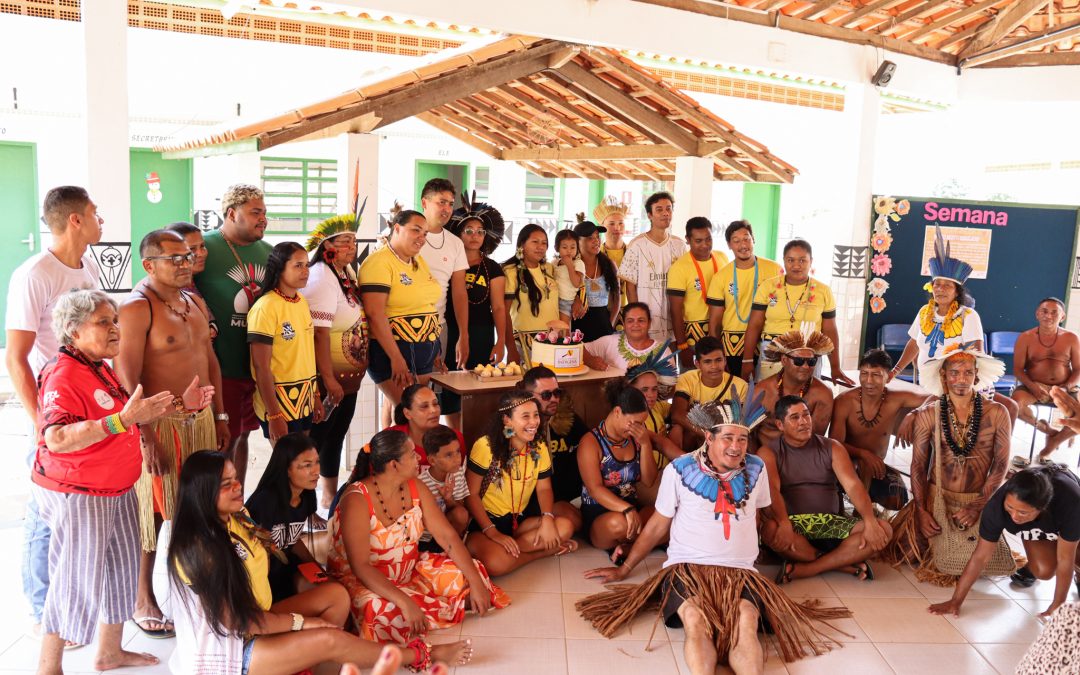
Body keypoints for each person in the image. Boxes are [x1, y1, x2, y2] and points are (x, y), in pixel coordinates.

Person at [577, 394, 851, 674]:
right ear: (709, 437)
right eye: (728, 438)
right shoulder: (679, 469)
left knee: (746, 621)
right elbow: (658, 525)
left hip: (741, 572)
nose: (736, 447)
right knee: (695, 619)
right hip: (686, 569)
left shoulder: (756, 468)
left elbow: (762, 511)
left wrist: (782, 530)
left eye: (742, 439)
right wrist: (626, 569)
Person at [33, 289, 178, 673]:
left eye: (114, 321)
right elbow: (57, 438)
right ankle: (48, 667)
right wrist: (122, 421)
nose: (115, 329)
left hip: (117, 488)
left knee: (122, 570)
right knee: (75, 580)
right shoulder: (63, 373)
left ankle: (110, 652)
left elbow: (125, 415)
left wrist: (182, 404)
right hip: (80, 492)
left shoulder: (98, 365)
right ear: (73, 330)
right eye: (103, 322)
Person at [167, 451, 398, 675]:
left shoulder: (237, 516)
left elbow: (283, 543)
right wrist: (301, 623)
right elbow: (240, 622)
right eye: (226, 484)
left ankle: (305, 664)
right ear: (203, 493)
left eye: (235, 478)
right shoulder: (197, 548)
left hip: (258, 615)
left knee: (336, 596)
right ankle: (415, 655)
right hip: (231, 647)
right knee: (330, 639)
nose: (238, 486)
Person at [115, 229, 226, 638]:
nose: (186, 262)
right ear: (149, 265)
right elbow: (126, 378)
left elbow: (209, 358)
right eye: (175, 258)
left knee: (196, 508)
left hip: (199, 420)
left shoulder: (193, 301)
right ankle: (143, 598)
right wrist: (146, 435)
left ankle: (187, 591)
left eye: (189, 255)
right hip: (158, 424)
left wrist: (222, 415)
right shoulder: (136, 307)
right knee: (155, 515)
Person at [5, 186, 101, 636]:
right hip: (53, 412)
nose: (101, 218)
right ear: (76, 220)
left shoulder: (87, 265)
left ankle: (71, 599)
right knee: (45, 510)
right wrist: (41, 423)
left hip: (89, 406)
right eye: (95, 212)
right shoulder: (34, 273)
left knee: (74, 506)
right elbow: (15, 355)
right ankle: (43, 607)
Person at [327, 429, 505, 658]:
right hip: (367, 581)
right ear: (394, 465)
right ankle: (422, 640)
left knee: (472, 572)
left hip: (409, 570)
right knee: (380, 611)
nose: (419, 458)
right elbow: (361, 566)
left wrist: (475, 582)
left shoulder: (415, 486)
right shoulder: (356, 498)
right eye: (412, 454)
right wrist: (404, 601)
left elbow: (448, 538)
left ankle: (419, 611)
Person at [885, 344, 1015, 586]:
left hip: (977, 498)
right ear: (943, 376)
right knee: (907, 554)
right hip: (937, 497)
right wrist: (922, 512)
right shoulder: (928, 414)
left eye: (967, 373)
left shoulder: (997, 413)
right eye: (954, 372)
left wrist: (978, 506)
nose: (961, 379)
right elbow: (918, 467)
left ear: (976, 375)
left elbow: (1001, 465)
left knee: (972, 563)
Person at [889, 226, 1019, 423]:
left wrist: (955, 383)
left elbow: (974, 353)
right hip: (927, 381)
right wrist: (895, 371)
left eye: (947, 285)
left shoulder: (968, 315)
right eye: (937, 284)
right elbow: (914, 343)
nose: (940, 289)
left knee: (997, 412)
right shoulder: (925, 312)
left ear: (957, 292)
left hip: (960, 382)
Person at [759, 396, 893, 583]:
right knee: (770, 529)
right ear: (780, 425)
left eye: (806, 415)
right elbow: (772, 490)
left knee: (883, 528)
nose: (803, 422)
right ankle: (843, 563)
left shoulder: (832, 447)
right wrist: (783, 522)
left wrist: (870, 521)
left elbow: (853, 485)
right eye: (795, 418)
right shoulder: (768, 452)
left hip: (831, 523)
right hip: (793, 525)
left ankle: (809, 568)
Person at [928, 465, 1080, 621]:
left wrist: (1058, 604)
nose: (1014, 516)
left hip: (1070, 513)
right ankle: (1032, 565)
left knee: (1076, 557)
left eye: (1023, 512)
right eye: (1010, 507)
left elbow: (1065, 559)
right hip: (1045, 524)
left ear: (1042, 509)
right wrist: (956, 601)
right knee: (1044, 571)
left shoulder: (1071, 503)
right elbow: (981, 557)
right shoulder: (996, 508)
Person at [195, 183, 272, 486]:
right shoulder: (204, 248)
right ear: (231, 213)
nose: (263, 218)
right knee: (219, 443)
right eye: (255, 212)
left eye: (264, 212)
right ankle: (215, 510)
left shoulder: (268, 252)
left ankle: (234, 506)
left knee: (243, 438)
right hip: (218, 368)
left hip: (254, 367)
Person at [463, 392, 579, 576]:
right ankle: (541, 552)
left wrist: (548, 518)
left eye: (535, 415)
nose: (534, 422)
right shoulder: (486, 446)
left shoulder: (539, 446)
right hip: (485, 525)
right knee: (496, 563)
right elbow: (470, 494)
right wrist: (493, 533)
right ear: (507, 421)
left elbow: (544, 487)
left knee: (565, 526)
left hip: (519, 522)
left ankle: (513, 551)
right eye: (525, 416)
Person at [304, 214, 369, 507]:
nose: (351, 247)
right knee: (316, 442)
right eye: (344, 241)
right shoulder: (321, 276)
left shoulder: (344, 273)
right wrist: (328, 379)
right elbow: (319, 334)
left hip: (348, 378)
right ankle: (305, 501)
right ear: (326, 244)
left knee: (336, 436)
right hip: (328, 378)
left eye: (353, 241)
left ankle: (328, 496)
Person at [829, 349, 931, 510]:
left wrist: (913, 414)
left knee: (897, 499)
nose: (869, 380)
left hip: (877, 468)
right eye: (864, 373)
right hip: (846, 466)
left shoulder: (896, 399)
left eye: (876, 375)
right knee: (836, 501)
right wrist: (864, 454)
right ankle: (853, 506)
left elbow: (934, 399)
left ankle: (868, 502)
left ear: (888, 377)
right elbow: (834, 443)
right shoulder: (844, 401)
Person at [741, 239, 852, 385]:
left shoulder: (823, 290)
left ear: (811, 261)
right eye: (790, 260)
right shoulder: (768, 286)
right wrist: (747, 360)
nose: (796, 265)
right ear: (784, 261)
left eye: (802, 260)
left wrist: (835, 366)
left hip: (808, 354)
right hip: (774, 353)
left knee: (805, 399)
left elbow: (829, 330)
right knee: (770, 398)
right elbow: (755, 324)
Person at [359, 209, 442, 405]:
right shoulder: (379, 262)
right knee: (409, 415)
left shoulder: (417, 260)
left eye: (425, 234)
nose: (421, 238)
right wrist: (396, 358)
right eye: (416, 231)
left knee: (421, 415)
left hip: (424, 352)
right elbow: (374, 313)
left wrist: (435, 349)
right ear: (397, 228)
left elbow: (425, 304)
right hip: (396, 352)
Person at [248, 242, 323, 444]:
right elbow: (260, 366)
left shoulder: (301, 302)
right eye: (298, 265)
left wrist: (315, 396)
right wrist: (274, 415)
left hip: (304, 399)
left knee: (300, 466)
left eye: (307, 265)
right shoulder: (265, 307)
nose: (305, 271)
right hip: (279, 405)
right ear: (280, 268)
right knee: (287, 468)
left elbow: (307, 355)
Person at [443, 195, 508, 426]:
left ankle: (476, 441)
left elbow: (499, 308)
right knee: (451, 391)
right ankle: (457, 439)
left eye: (480, 231)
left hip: (482, 334)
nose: (475, 236)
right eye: (468, 230)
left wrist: (501, 342)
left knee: (481, 389)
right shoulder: (447, 264)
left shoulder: (493, 268)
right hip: (451, 334)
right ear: (458, 235)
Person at [245, 433, 328, 604]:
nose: (316, 471)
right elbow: (254, 555)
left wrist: (318, 569)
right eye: (307, 465)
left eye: (317, 462)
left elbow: (293, 539)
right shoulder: (265, 502)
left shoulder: (306, 496)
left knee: (329, 589)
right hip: (262, 578)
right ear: (286, 469)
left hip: (286, 569)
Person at [577, 383, 659, 556]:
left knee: (662, 516)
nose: (637, 429)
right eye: (633, 423)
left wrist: (645, 444)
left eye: (642, 424)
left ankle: (628, 548)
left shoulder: (638, 437)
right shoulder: (590, 442)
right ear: (617, 412)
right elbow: (594, 489)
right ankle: (644, 542)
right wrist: (626, 509)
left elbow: (649, 480)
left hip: (632, 509)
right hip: (601, 515)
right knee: (619, 524)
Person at [707, 220, 782, 375]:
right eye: (736, 241)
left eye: (746, 239)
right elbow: (714, 323)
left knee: (768, 393)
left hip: (767, 342)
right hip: (732, 345)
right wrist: (716, 355)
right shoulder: (721, 277)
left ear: (753, 239)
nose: (743, 245)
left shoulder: (774, 269)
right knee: (737, 394)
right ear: (729, 245)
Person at [1010, 297, 1080, 464]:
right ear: (1037, 314)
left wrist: (1066, 387)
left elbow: (1078, 369)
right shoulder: (1025, 337)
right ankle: (1045, 428)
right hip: (1033, 385)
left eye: (1054, 312)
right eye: (1044, 311)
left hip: (1065, 387)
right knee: (1014, 405)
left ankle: (1052, 444)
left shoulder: (1071, 338)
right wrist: (1033, 388)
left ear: (1062, 317)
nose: (1048, 316)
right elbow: (1018, 370)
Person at [519, 366, 589, 523]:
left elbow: (591, 442)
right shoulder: (519, 427)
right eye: (546, 395)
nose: (554, 399)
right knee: (572, 521)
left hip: (567, 494)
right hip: (532, 500)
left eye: (557, 393)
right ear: (528, 396)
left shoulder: (568, 419)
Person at [618, 191, 686, 342]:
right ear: (649, 215)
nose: (665, 213)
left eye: (668, 209)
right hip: (647, 323)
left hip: (673, 321)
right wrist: (638, 320)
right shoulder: (637, 245)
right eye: (659, 210)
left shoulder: (679, 245)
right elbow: (630, 288)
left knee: (671, 362)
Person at [419, 179, 470, 375]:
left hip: (438, 326)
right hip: (404, 326)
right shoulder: (407, 236)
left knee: (431, 387)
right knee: (400, 393)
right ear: (424, 203)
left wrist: (463, 335)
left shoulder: (455, 243)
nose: (447, 208)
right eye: (441, 202)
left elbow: (459, 291)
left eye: (450, 203)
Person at [755, 327, 836, 451]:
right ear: (784, 360)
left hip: (803, 457)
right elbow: (748, 434)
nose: (805, 366)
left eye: (811, 361)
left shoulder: (823, 394)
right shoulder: (762, 390)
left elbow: (815, 438)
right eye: (798, 361)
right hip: (764, 458)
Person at [667, 216, 729, 370]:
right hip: (692, 341)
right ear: (688, 240)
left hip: (721, 335)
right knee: (691, 385)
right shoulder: (679, 268)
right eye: (698, 241)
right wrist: (682, 346)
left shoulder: (722, 257)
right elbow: (675, 310)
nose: (705, 245)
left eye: (708, 239)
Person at [671, 336, 748, 451]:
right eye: (707, 361)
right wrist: (707, 434)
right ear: (697, 364)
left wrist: (718, 437)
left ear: (725, 361)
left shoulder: (740, 385)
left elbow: (741, 424)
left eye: (718, 360)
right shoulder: (687, 378)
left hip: (727, 437)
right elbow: (677, 414)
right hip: (697, 434)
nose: (714, 367)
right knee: (677, 429)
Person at [582, 303, 678, 394]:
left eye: (641, 320)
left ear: (649, 323)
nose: (636, 324)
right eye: (630, 320)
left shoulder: (663, 350)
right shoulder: (610, 341)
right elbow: (578, 349)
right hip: (617, 405)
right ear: (623, 324)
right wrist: (590, 360)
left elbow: (671, 389)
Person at [502, 224, 559, 365]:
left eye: (544, 243)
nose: (540, 247)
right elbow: (503, 313)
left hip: (552, 340)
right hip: (523, 342)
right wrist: (510, 349)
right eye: (535, 242)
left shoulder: (550, 268)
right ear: (522, 244)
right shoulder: (511, 271)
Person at [418, 425, 471, 549]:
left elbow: (461, 510)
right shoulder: (421, 483)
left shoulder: (457, 474)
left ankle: (450, 549)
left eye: (458, 451)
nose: (457, 458)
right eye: (448, 455)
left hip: (448, 532)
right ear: (432, 461)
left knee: (461, 514)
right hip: (426, 537)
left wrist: (448, 499)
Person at [387, 384, 465, 465]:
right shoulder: (389, 440)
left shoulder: (455, 439)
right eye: (424, 406)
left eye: (435, 404)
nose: (433, 410)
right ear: (407, 413)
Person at [164, 221, 217, 338]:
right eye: (192, 249)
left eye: (202, 246)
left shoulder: (191, 285)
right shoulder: (159, 291)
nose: (201, 253)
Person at [571, 219, 620, 342]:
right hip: (576, 328)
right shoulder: (570, 266)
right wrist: (575, 299)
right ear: (577, 241)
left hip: (604, 327)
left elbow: (616, 298)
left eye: (597, 236)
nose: (596, 241)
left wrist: (610, 325)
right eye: (589, 238)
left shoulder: (609, 264)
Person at [594, 196, 630, 307]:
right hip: (602, 310)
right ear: (602, 226)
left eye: (621, 223)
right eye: (611, 224)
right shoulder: (596, 254)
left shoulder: (633, 252)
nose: (617, 228)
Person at [553, 228, 586, 325]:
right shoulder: (554, 263)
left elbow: (576, 283)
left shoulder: (578, 263)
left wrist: (570, 266)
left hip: (566, 301)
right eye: (564, 247)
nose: (569, 251)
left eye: (572, 247)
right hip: (553, 299)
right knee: (555, 329)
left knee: (564, 329)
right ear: (557, 248)